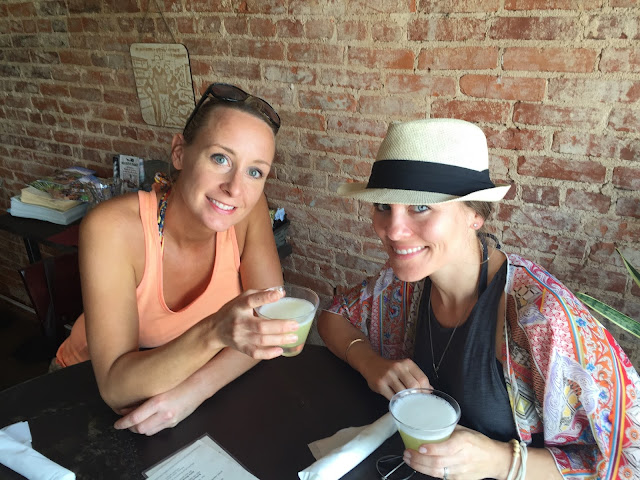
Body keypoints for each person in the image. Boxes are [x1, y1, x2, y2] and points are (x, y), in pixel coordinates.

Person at [317, 118, 640, 479]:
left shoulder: (543, 319)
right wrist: (369, 362)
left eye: (420, 207)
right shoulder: (403, 283)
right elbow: (333, 316)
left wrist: (502, 461)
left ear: (474, 214)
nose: (393, 230)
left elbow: (630, 460)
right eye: (382, 206)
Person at [54, 83, 299, 435]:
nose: (235, 188)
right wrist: (216, 331)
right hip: (81, 394)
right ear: (180, 153)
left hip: (182, 390)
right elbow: (116, 388)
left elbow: (267, 329)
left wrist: (193, 392)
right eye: (220, 159)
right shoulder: (113, 228)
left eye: (255, 171)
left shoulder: (249, 210)